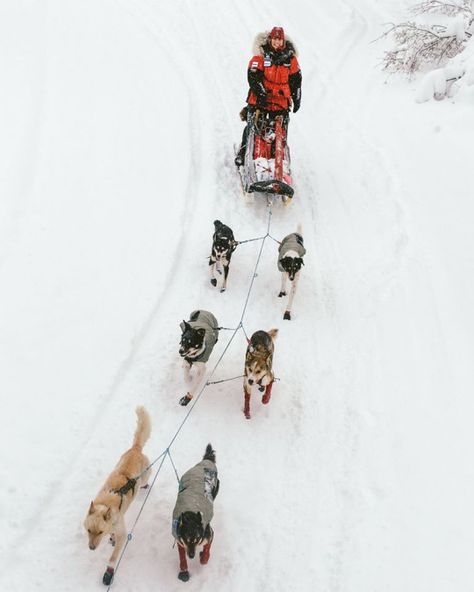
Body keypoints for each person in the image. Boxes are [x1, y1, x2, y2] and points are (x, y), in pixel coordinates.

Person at [235, 27, 302, 167]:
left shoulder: (291, 60)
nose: (277, 42)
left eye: (280, 39)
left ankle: (277, 161)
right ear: (270, 39)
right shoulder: (260, 56)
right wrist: (261, 94)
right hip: (260, 101)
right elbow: (252, 76)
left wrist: (296, 99)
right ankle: (243, 152)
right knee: (253, 126)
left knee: (280, 132)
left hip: (280, 104)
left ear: (283, 41)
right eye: (275, 39)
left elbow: (296, 80)